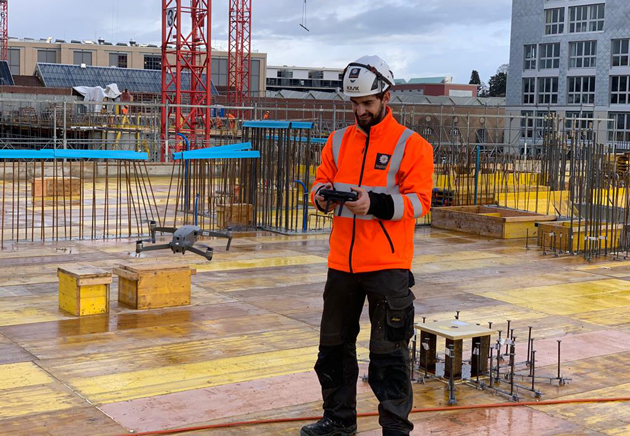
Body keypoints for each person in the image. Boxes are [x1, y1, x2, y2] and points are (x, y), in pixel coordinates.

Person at [301, 55, 434, 436]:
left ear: (386, 97)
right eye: (354, 104)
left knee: (389, 353)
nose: (359, 111)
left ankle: (395, 428)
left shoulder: (412, 145)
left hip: (388, 264)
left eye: (367, 104)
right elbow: (319, 181)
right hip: (342, 263)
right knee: (333, 348)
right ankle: (338, 420)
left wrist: (373, 203)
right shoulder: (338, 140)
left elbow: (419, 202)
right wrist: (321, 198)